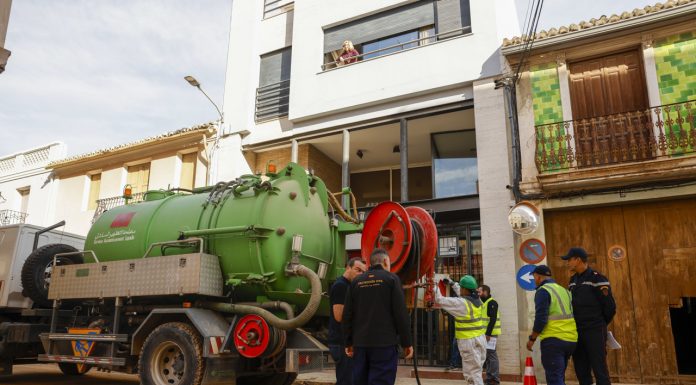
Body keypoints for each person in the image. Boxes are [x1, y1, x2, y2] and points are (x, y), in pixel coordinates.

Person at [342, 248, 413, 385]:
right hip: (384, 345)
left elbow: (347, 314)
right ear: (386, 261)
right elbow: (400, 314)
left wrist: (348, 342)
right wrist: (406, 342)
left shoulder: (356, 282)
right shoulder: (392, 279)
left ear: (370, 263)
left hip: (360, 344)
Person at [562, 247, 616, 385]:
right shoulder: (573, 280)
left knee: (600, 368)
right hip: (577, 330)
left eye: (569, 259)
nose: (567, 262)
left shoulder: (597, 278)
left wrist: (599, 323)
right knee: (581, 368)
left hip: (594, 329)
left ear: (578, 260)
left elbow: (609, 307)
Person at [527, 265, 577, 385]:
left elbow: (541, 319)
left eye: (534, 277)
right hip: (571, 339)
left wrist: (532, 338)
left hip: (554, 340)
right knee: (559, 376)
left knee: (554, 378)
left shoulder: (543, 291)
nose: (534, 280)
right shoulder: (564, 290)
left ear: (538, 277)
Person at [436, 275, 486, 385]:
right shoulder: (477, 300)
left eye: (461, 287)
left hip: (469, 342)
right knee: (477, 372)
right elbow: (463, 293)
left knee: (472, 374)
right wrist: (453, 284)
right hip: (480, 340)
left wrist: (434, 285)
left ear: (465, 289)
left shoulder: (462, 304)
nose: (461, 289)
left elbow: (440, 300)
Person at [329, 257, 367, 385]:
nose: (360, 274)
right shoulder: (341, 286)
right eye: (357, 270)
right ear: (348, 268)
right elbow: (339, 316)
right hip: (341, 343)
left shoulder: (350, 286)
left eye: (363, 271)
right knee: (346, 381)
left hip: (346, 342)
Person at [478, 285, 501, 385]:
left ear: (485, 292)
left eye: (480, 292)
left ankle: (494, 379)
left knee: (491, 356)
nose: (478, 294)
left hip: (490, 335)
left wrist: (488, 334)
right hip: (485, 334)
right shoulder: (483, 303)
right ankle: (489, 378)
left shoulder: (492, 303)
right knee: (487, 356)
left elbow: (493, 319)